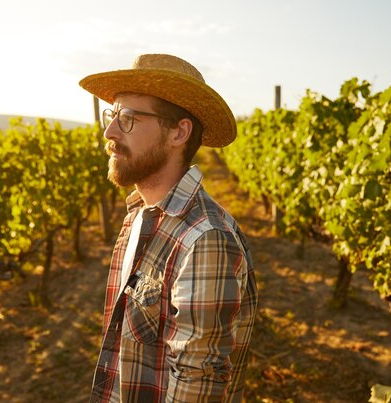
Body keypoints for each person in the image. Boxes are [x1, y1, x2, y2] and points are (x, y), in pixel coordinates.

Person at [79, 54, 258, 403]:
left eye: (128, 118)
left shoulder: (205, 240)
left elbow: (197, 384)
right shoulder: (138, 217)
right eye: (113, 115)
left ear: (179, 131)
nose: (109, 131)